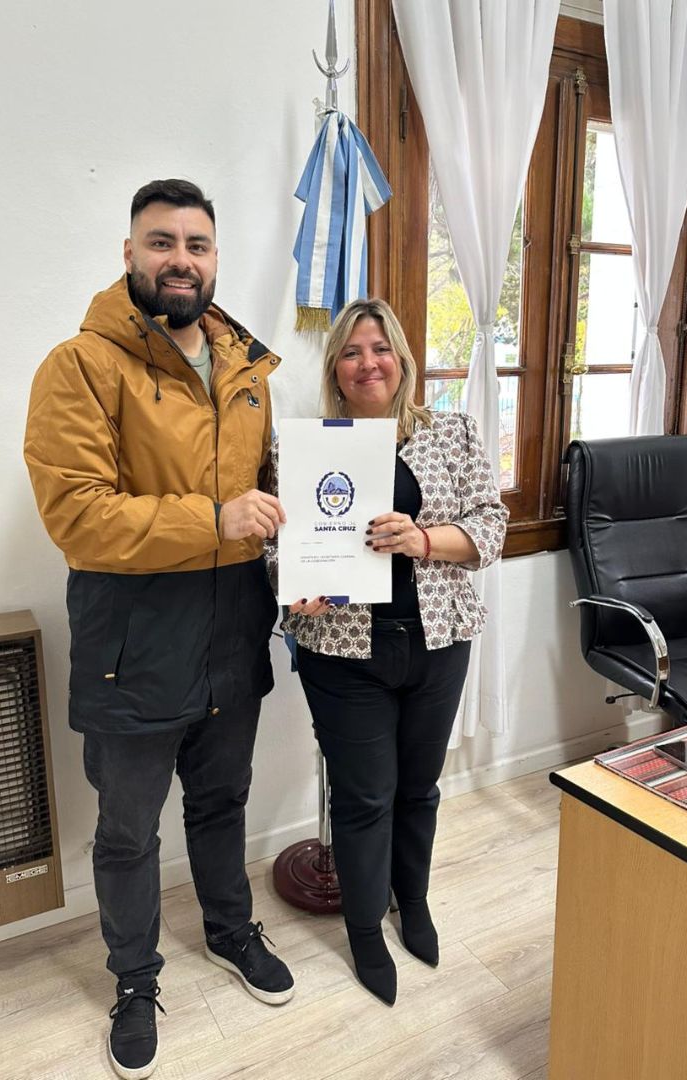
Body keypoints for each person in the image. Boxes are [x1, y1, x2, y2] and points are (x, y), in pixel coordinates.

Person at [23, 179, 295, 1079]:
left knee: (222, 802)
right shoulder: (79, 366)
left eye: (197, 244)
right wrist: (214, 520)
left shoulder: (246, 369)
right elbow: (78, 517)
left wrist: (321, 541)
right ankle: (135, 979)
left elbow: (268, 495)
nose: (181, 260)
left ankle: (228, 928)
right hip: (132, 647)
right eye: (162, 242)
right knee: (128, 833)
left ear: (215, 258)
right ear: (130, 254)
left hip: (232, 634)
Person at [270, 297, 507, 1005]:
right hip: (344, 652)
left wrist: (423, 539)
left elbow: (491, 528)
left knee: (419, 789)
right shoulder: (302, 447)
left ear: (401, 359)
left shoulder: (452, 433)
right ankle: (366, 927)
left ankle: (416, 900)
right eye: (351, 351)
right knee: (365, 796)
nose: (367, 363)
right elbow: (274, 548)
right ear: (334, 369)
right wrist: (295, 587)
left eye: (379, 348)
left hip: (438, 641)